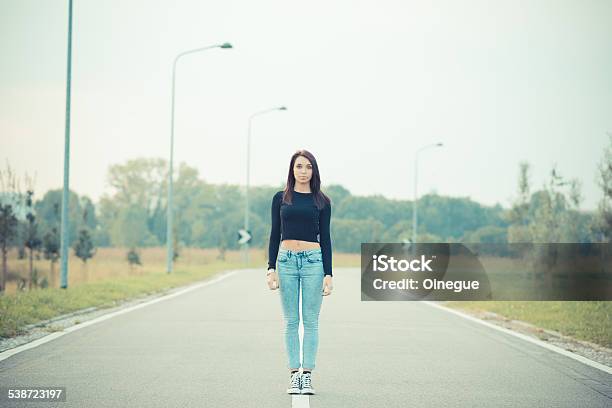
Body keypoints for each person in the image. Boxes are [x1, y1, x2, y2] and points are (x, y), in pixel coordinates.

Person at [267, 149, 333, 395]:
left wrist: (329, 273)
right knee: (291, 321)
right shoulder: (280, 198)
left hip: (313, 262)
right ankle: (294, 374)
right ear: (292, 169)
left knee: (311, 321)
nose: (303, 171)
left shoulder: (322, 201)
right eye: (299, 166)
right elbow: (275, 234)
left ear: (313, 171)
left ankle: (307, 375)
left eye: (308, 167)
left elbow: (325, 238)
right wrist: (270, 268)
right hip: (285, 261)